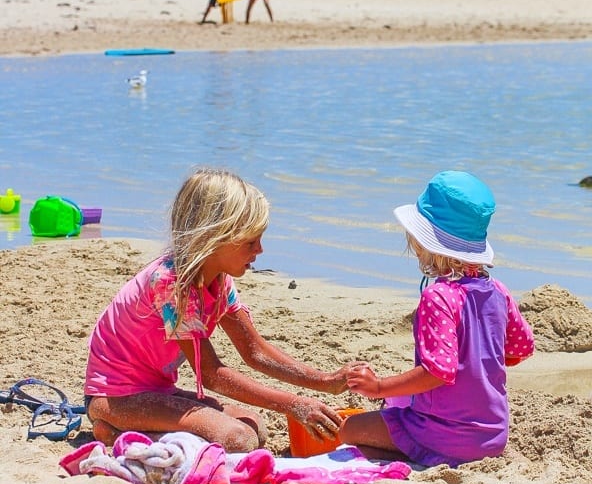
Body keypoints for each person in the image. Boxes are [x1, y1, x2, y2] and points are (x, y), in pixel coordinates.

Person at [85, 167, 357, 453]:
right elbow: (212, 375)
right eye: (251, 242)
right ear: (214, 239)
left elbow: (255, 352)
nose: (260, 250)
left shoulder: (218, 279)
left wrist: (326, 381)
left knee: (254, 427)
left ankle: (139, 431)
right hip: (117, 398)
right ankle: (116, 433)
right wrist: (293, 404)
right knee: (239, 440)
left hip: (158, 392)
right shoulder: (171, 285)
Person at [340, 171, 535, 467]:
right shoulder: (498, 291)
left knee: (349, 430)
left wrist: (378, 386)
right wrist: (476, 363)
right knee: (399, 401)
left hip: (446, 436)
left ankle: (407, 455)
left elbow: (438, 373)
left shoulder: (439, 296)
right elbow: (520, 349)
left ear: (423, 240)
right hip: (494, 436)